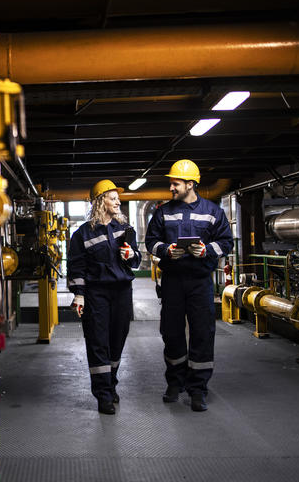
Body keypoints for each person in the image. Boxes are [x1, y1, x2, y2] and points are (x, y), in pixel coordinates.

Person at [144, 159, 233, 412]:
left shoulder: (213, 211)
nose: (171, 187)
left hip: (200, 282)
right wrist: (166, 250)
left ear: (190, 184)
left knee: (202, 333)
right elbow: (151, 241)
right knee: (171, 332)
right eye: (171, 183)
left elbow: (226, 242)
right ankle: (175, 382)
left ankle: (198, 389)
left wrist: (206, 250)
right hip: (173, 281)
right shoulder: (163, 212)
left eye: (176, 183)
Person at [68, 180, 141, 415]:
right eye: (112, 198)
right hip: (96, 294)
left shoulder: (126, 229)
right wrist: (79, 295)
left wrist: (132, 254)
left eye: (117, 198)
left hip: (121, 291)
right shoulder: (82, 234)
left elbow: (136, 260)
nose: (118, 202)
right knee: (98, 342)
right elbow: (77, 267)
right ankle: (103, 395)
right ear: (101, 202)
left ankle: (111, 384)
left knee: (117, 340)